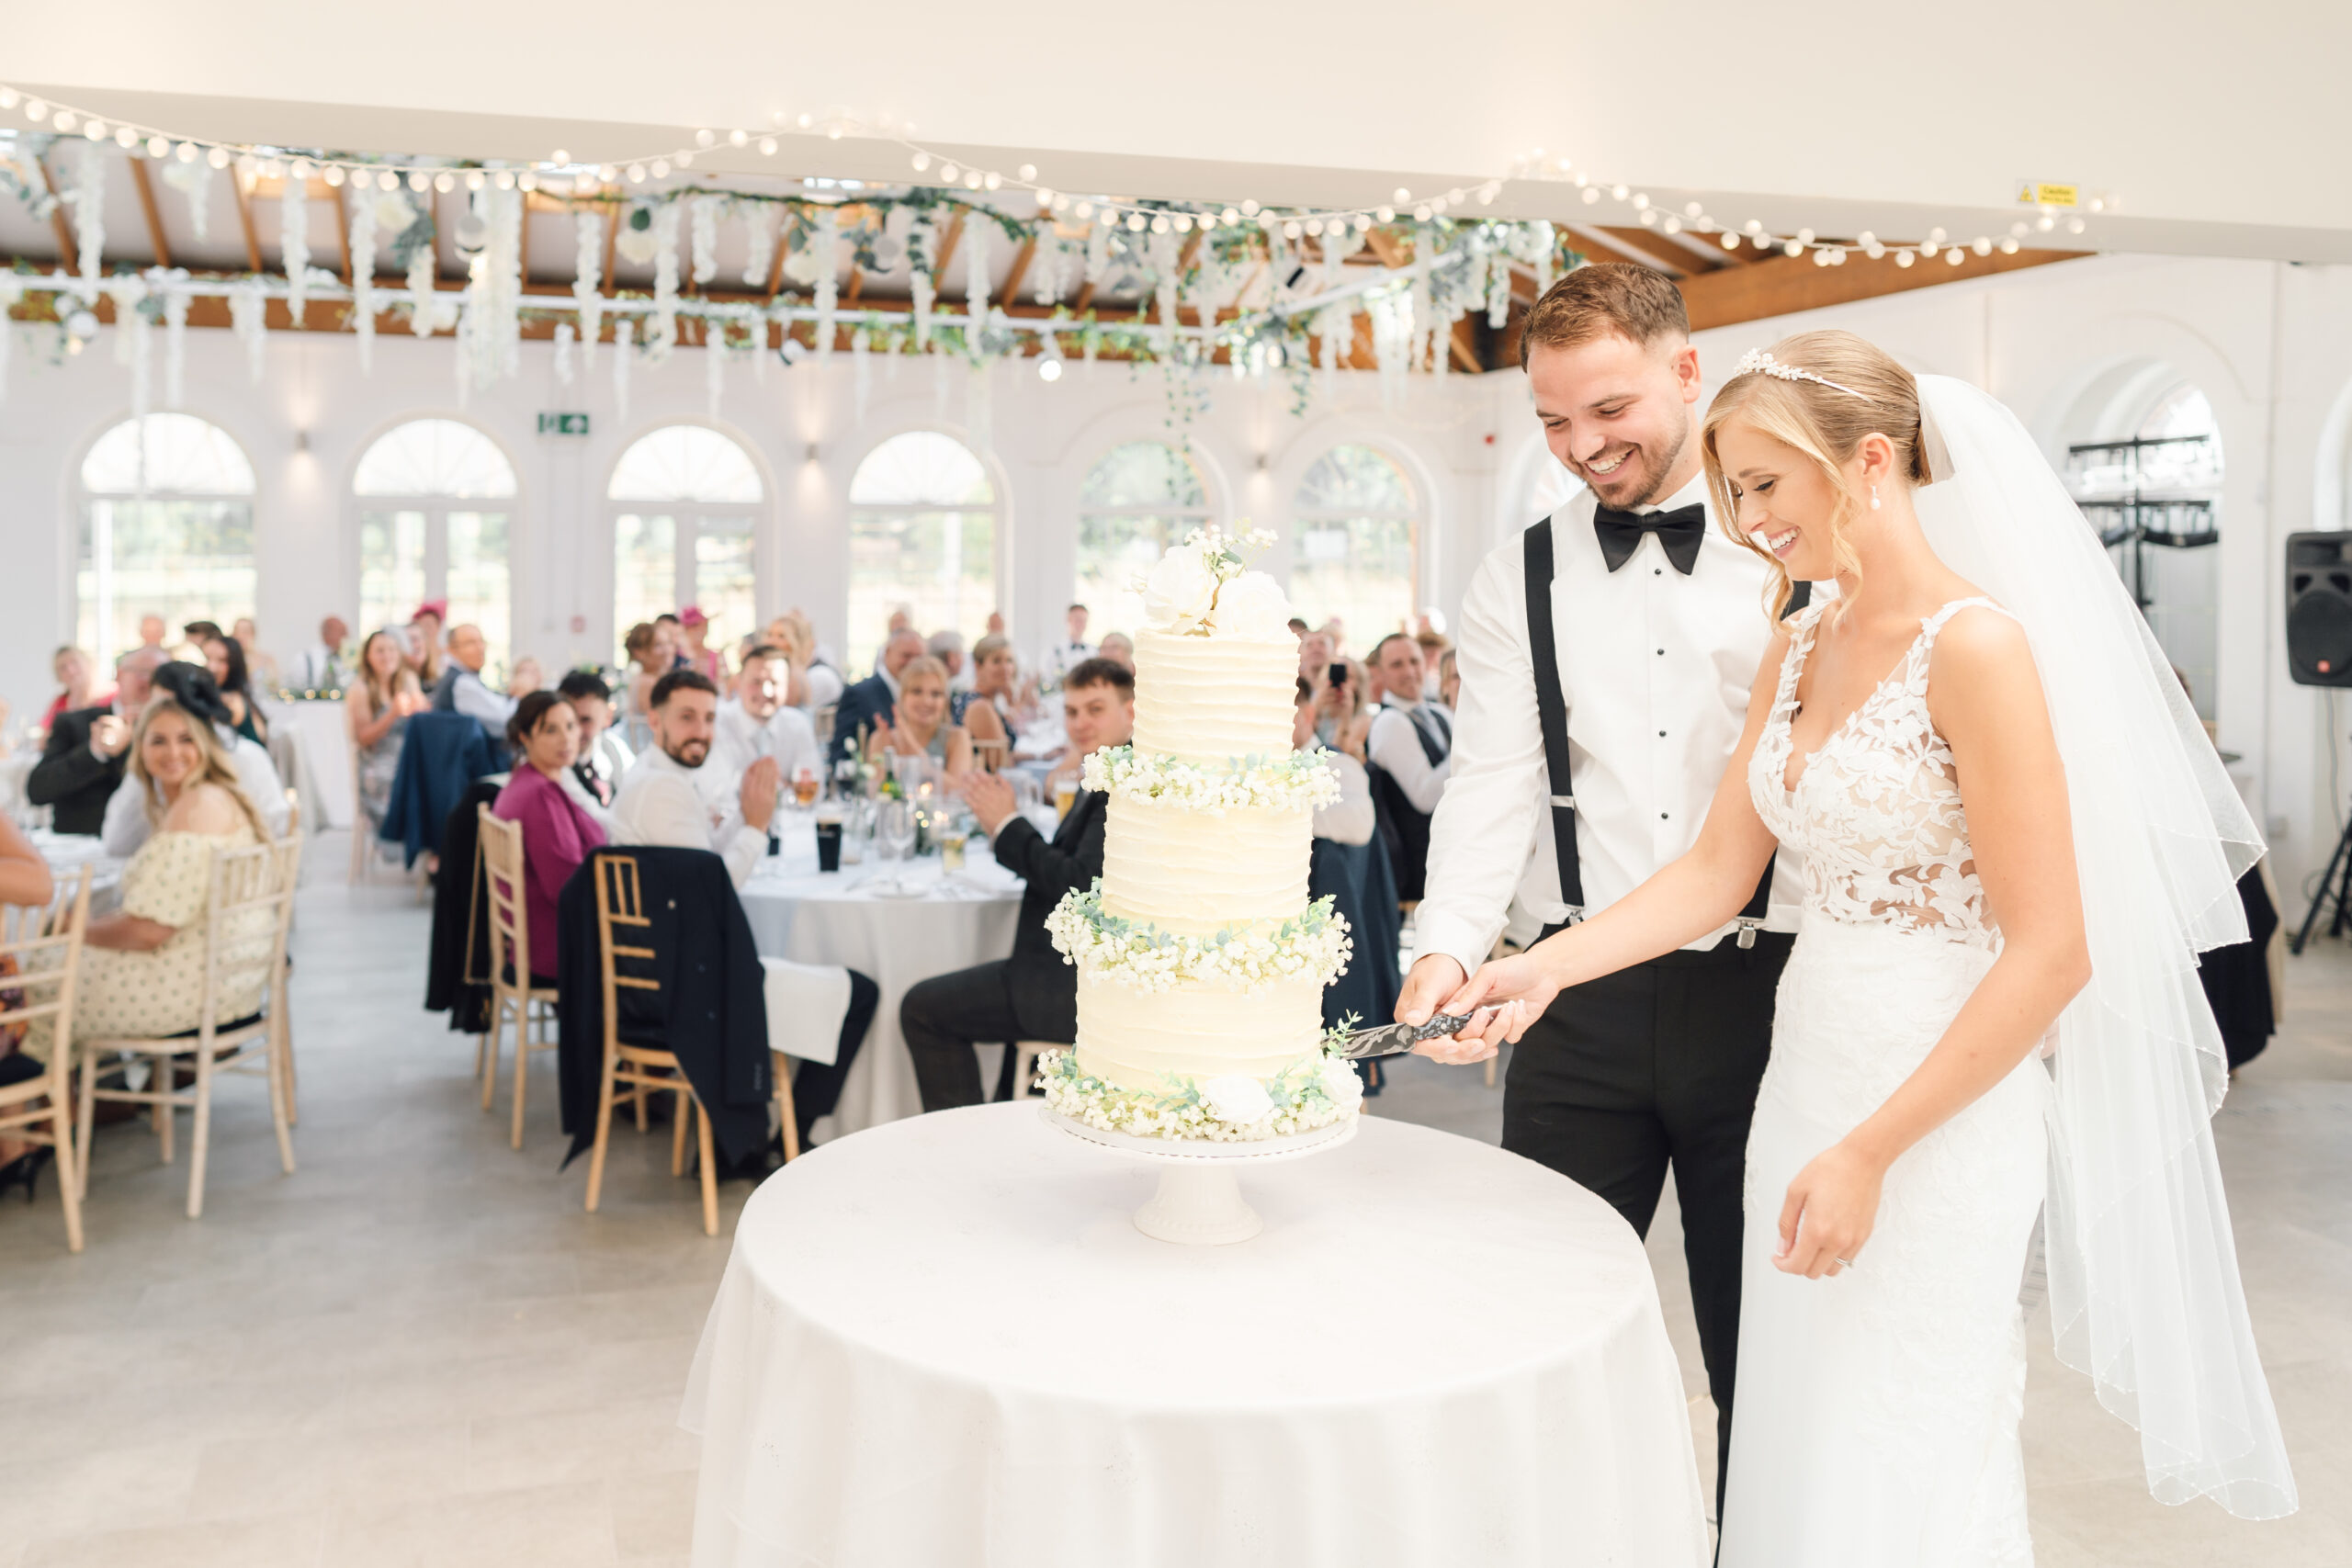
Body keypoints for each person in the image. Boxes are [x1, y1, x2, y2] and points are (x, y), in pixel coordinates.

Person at [1425, 329, 2298, 1558]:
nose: (1745, 518)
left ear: (1871, 461)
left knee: (1907, 1437)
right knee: (1798, 1428)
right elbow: (1717, 870)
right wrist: (1542, 961)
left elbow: (2050, 951)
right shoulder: (1799, 636)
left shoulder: (1978, 648)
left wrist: (1873, 1150)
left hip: (1933, 1115)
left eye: (1765, 484)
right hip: (1807, 1078)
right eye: (1730, 489)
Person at [1391, 264, 1800, 1512]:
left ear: (1687, 370)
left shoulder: (1797, 547)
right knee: (1540, 1324)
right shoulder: (1519, 573)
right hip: (1574, 994)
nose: (1581, 448)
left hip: (1772, 994)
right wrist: (1446, 947)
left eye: (1608, 410)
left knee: (1765, 1350)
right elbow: (1495, 783)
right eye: (1554, 420)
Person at [899, 658, 1134, 1110]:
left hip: (1068, 989)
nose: (1081, 722)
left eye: (1095, 709)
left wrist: (1007, 824)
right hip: (1062, 972)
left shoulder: (1126, 785)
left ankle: (964, 1147)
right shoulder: (1112, 768)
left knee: (922, 1010)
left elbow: (1077, 884)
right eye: (1071, 711)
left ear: (1131, 711)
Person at [23, 694, 276, 1066]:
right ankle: (86, 1097)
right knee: (52, 963)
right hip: (230, 976)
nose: (172, 751)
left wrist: (78, 927)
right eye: (158, 740)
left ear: (204, 744)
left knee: (32, 981)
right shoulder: (208, 798)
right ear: (139, 749)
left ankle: (41, 1107)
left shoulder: (197, 808)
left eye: (186, 739)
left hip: (194, 989)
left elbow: (148, 930)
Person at [609, 671, 778, 891]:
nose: (701, 732)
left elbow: (707, 851)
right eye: (687, 717)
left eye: (709, 719)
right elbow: (711, 889)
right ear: (655, 721)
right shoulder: (659, 786)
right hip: (666, 924)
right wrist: (756, 828)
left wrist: (748, 811)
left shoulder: (669, 772)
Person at [102, 664, 290, 855]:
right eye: (156, 706)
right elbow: (117, 844)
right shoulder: (156, 760)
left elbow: (277, 831)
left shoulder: (243, 758)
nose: (165, 715)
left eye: (176, 707)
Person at [492, 693, 606, 981]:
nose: (566, 739)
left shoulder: (525, 780)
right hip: (554, 945)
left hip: (532, 936)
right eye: (550, 730)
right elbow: (566, 885)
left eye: (570, 726)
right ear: (525, 737)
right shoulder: (541, 795)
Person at [28, 648, 166, 835]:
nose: (150, 681)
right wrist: (95, 752)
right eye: (143, 672)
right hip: (89, 844)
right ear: (120, 674)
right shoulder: (76, 722)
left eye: (161, 674)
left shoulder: (180, 736)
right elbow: (37, 790)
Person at [1363, 631, 1453, 902]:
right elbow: (1425, 797)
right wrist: (1467, 752)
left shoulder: (1438, 714)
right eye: (1397, 664)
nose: (1410, 671)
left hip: (1451, 847)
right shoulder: (1390, 723)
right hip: (1418, 861)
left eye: (1414, 661)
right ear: (1379, 672)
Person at [347, 629, 425, 836]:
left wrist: (422, 708)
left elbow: (426, 716)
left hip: (410, 756)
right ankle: (400, 838)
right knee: (403, 782)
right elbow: (363, 739)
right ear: (368, 656)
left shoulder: (408, 680)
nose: (387, 656)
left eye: (392, 650)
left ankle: (433, 849)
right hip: (377, 762)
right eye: (380, 651)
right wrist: (392, 714)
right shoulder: (360, 689)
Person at [714, 648, 824, 789]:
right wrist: (784, 787)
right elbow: (717, 793)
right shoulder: (717, 722)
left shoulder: (798, 723)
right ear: (739, 682)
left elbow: (814, 790)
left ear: (787, 686)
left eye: (774, 683)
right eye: (756, 682)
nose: (766, 692)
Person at [829, 628, 925, 766]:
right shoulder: (859, 694)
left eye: (919, 657)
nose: (913, 663)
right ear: (887, 653)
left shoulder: (928, 698)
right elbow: (841, 755)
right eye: (906, 656)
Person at [865, 655, 972, 778]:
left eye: (936, 694)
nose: (926, 701)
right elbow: (874, 793)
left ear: (945, 701)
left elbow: (958, 789)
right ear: (903, 697)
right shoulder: (882, 738)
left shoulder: (957, 737)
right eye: (917, 692)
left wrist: (910, 743)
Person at [557, 669, 630, 813]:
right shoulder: (555, 764)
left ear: (607, 717)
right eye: (569, 722)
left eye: (586, 720)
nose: (575, 731)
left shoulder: (615, 750)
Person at [430, 624, 517, 729]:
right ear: (452, 650)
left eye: (481, 641)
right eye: (471, 643)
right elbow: (505, 719)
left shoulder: (466, 678)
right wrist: (520, 696)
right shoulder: (462, 683)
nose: (480, 648)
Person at [201, 634, 269, 745]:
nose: (211, 666)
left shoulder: (230, 700)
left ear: (234, 665)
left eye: (221, 660)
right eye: (208, 658)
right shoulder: (241, 694)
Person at [621, 621, 673, 747]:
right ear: (639, 652)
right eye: (658, 645)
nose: (667, 650)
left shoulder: (648, 679)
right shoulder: (648, 683)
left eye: (668, 643)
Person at [39, 647, 109, 737]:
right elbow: (44, 741)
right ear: (59, 676)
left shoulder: (110, 698)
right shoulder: (59, 703)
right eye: (63, 668)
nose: (71, 671)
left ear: (88, 663)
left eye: (74, 662)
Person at [1042, 603, 1094, 686]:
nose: (1081, 624)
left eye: (1084, 620)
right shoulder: (1054, 651)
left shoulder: (1094, 651)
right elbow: (1047, 679)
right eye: (1078, 620)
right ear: (1068, 620)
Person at [294, 615, 349, 692]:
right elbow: (297, 688)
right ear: (326, 634)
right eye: (342, 632)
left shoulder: (349, 659)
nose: (346, 636)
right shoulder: (304, 658)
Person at [231, 617, 283, 694]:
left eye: (245, 632)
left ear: (253, 634)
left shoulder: (266, 659)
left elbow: (275, 687)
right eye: (237, 631)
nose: (240, 636)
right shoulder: (229, 661)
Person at [676, 606, 725, 682]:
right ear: (686, 630)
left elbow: (721, 685)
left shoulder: (715, 656)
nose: (700, 631)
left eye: (704, 626)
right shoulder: (677, 656)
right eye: (694, 626)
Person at [410, 602, 447, 690]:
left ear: (438, 626)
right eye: (423, 625)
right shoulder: (414, 656)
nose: (426, 630)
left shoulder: (447, 656)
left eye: (430, 625)